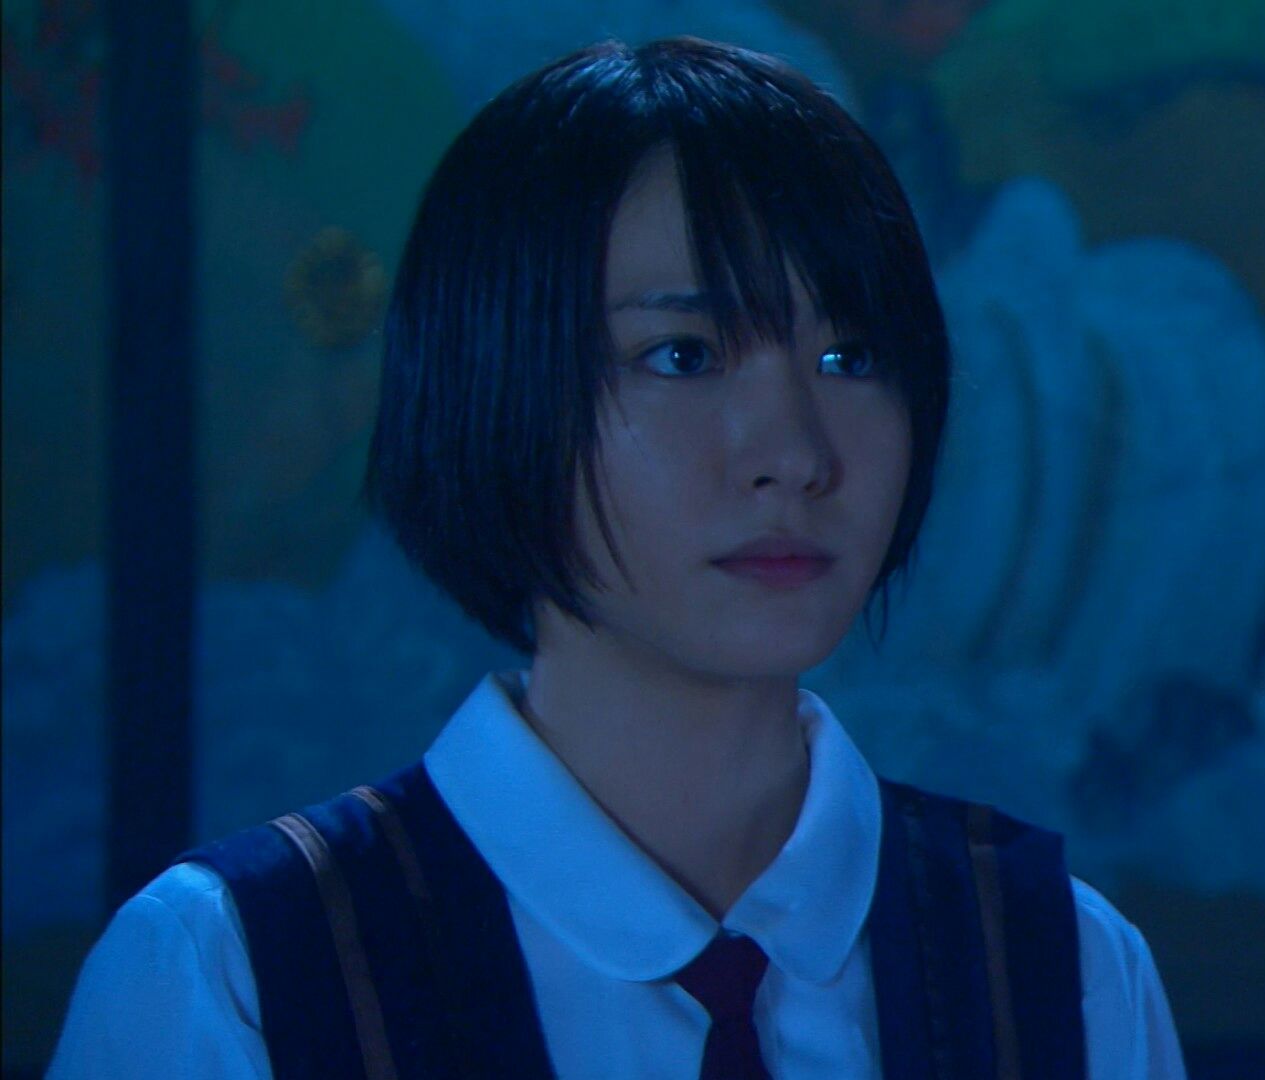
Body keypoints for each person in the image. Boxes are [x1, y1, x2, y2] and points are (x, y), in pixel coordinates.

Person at [49, 36, 1186, 1078]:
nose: (793, 455)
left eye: (849, 359)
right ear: (495, 385)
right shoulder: (239, 972)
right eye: (682, 355)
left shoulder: (1059, 966)